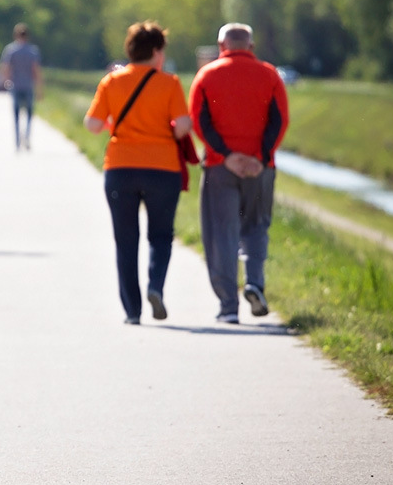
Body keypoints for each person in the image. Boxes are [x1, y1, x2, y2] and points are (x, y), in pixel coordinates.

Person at [84, 21, 192, 325]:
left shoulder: (111, 82)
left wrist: (114, 124)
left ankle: (132, 311)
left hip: (120, 167)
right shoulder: (169, 84)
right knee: (160, 235)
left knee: (126, 239)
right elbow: (183, 126)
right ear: (157, 52)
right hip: (162, 168)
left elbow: (92, 124)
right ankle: (155, 286)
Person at [188, 23, 290, 325]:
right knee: (256, 227)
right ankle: (255, 284)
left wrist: (226, 156)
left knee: (222, 233)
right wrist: (260, 157)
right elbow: (279, 120)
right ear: (251, 47)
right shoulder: (270, 75)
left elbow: (199, 120)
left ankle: (228, 306)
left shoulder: (206, 76)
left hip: (221, 168)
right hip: (260, 169)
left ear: (221, 47)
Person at [0, 23, 42, 151]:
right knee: (29, 114)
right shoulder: (33, 51)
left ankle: (17, 141)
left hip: (15, 86)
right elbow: (36, 71)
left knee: (16, 115)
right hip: (28, 85)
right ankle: (27, 136)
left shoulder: (10, 50)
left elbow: (6, 68)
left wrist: (7, 81)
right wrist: (40, 88)